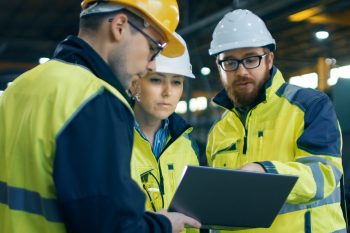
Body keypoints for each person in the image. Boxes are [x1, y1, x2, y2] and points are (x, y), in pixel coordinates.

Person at [0, 1, 201, 233]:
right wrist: (164, 225)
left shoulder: (20, 87)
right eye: (152, 47)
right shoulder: (95, 99)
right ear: (119, 26)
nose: (150, 64)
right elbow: (111, 226)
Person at [206, 9, 346, 233]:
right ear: (219, 67)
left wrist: (265, 172)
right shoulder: (219, 130)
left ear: (269, 59)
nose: (241, 71)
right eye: (230, 62)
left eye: (251, 59)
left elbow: (323, 175)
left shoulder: (310, 105)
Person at [129, 33, 200, 232]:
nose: (168, 92)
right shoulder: (111, 139)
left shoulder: (186, 144)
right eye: (157, 80)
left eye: (177, 82)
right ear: (135, 83)